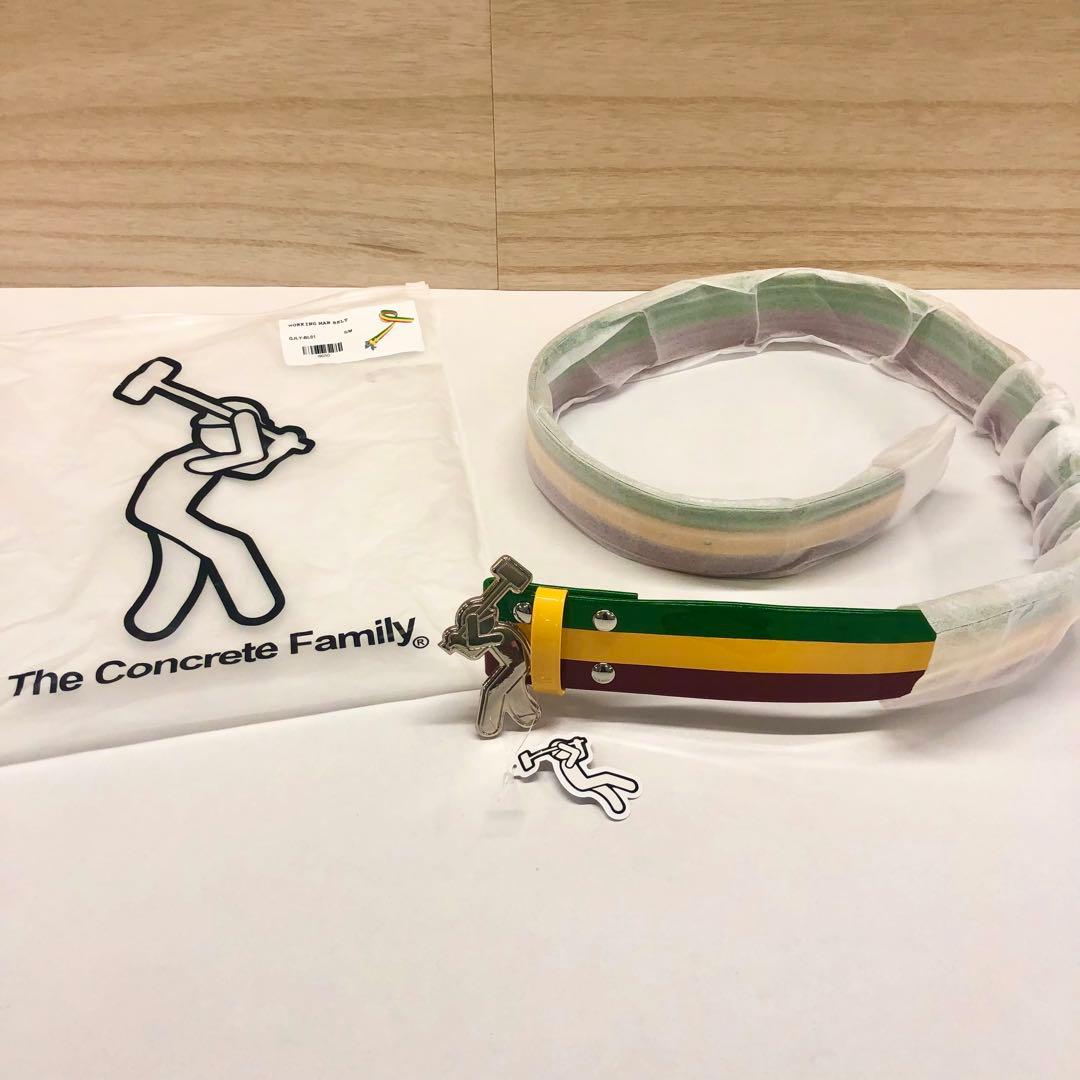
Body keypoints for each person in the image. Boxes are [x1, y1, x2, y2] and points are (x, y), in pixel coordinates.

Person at [123, 399, 284, 641]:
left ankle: (151, 623)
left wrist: (281, 449)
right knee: (229, 547)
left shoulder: (217, 457)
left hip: (169, 513)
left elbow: (252, 467)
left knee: (181, 565)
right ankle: (255, 608)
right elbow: (248, 456)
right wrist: (248, 426)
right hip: (160, 513)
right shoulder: (195, 459)